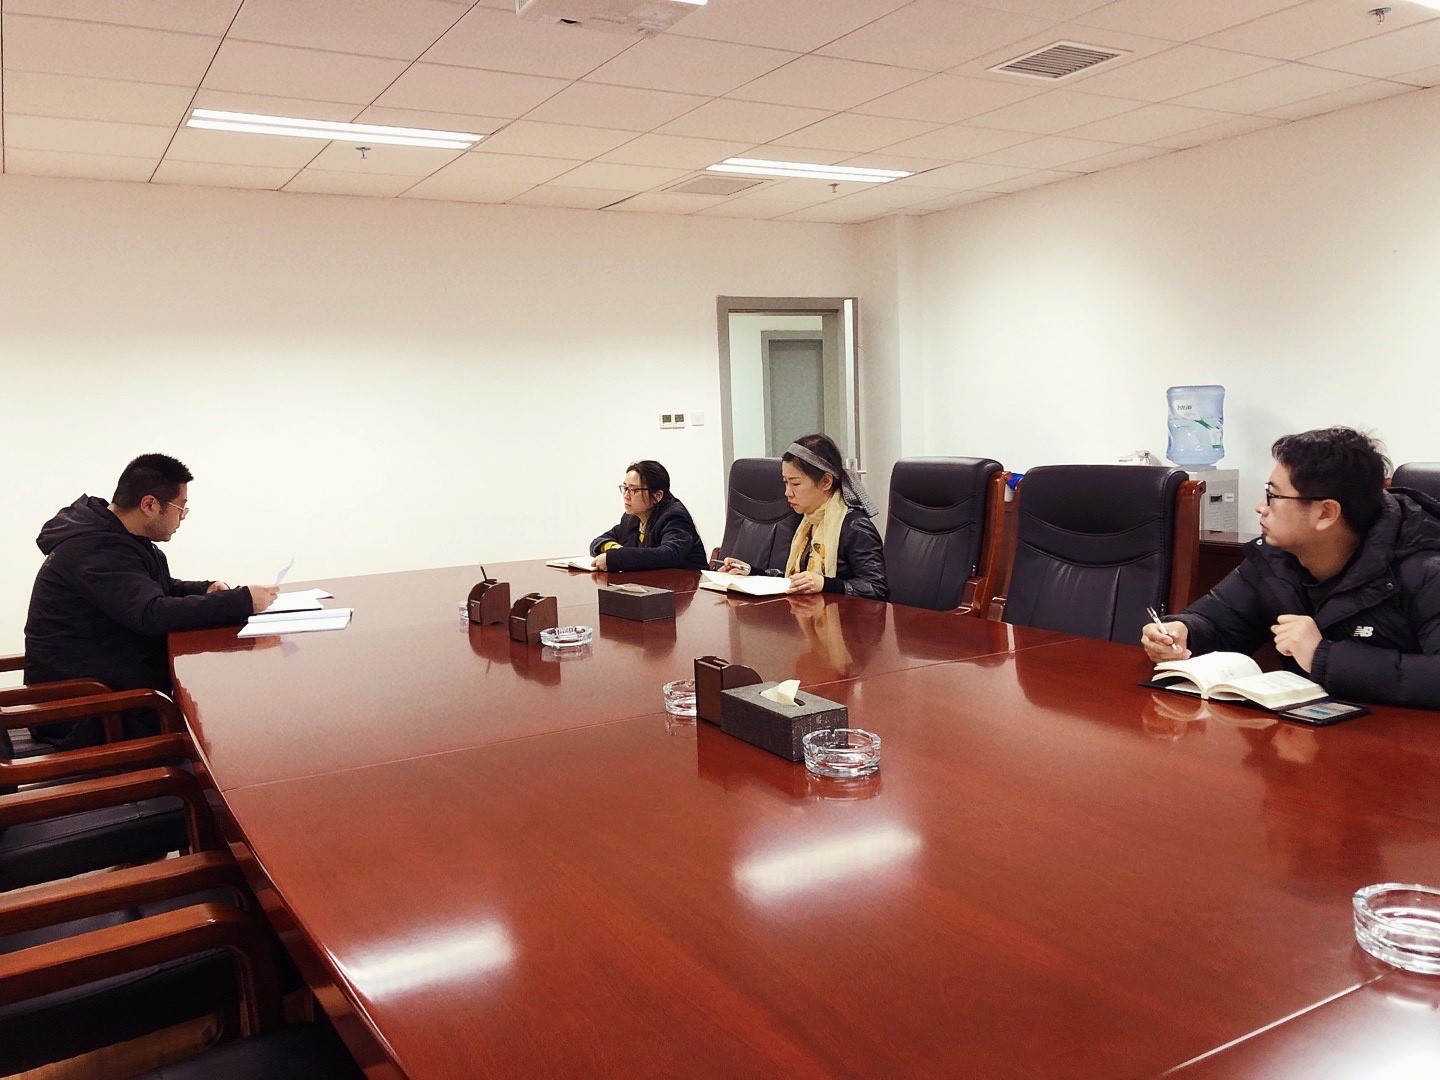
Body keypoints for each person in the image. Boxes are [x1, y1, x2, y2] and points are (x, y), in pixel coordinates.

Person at [1141, 427, 1440, 709]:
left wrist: (1323, 657)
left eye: (1274, 495)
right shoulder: (1275, 557)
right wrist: (1182, 631)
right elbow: (1219, 620)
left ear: (1326, 513)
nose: (1260, 506)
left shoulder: (1425, 567)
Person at [24, 453, 279, 747]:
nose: (183, 517)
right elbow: (151, 613)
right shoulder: (93, 548)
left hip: (109, 690)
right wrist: (241, 601)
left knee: (225, 712)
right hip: (86, 712)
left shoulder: (116, 537)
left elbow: (155, 588)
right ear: (149, 505)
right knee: (230, 727)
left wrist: (205, 589)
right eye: (181, 508)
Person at [718, 433, 888, 600]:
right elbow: (795, 579)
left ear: (826, 482)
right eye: (785, 482)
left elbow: (877, 589)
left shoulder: (854, 525)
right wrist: (751, 572)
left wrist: (826, 584)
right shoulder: (807, 520)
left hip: (843, 617)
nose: (787, 493)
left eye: (795, 483)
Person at [589, 460, 708, 572]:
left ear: (657, 496)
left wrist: (616, 558)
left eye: (633, 490)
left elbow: (669, 554)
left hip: (688, 584)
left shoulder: (674, 516)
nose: (626, 495)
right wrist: (614, 548)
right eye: (625, 488)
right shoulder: (631, 517)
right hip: (652, 584)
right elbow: (599, 541)